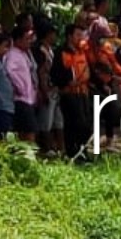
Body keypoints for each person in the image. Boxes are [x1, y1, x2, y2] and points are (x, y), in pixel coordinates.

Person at [57, 27, 94, 160]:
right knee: (74, 124)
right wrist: (67, 83)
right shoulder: (61, 52)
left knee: (86, 124)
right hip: (69, 94)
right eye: (77, 35)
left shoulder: (82, 52)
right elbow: (56, 75)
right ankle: (72, 153)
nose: (80, 38)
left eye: (81, 35)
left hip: (83, 93)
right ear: (69, 36)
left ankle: (83, 151)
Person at [32, 21, 64, 157]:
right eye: (53, 34)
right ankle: (47, 148)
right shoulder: (40, 51)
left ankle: (60, 147)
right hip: (47, 90)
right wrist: (44, 91)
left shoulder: (51, 49)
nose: (55, 37)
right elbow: (41, 72)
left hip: (54, 89)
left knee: (58, 119)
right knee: (46, 120)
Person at [6, 28, 39, 143]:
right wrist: (20, 88)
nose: (30, 41)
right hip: (21, 98)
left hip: (28, 98)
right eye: (27, 39)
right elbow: (9, 71)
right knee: (29, 130)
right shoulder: (13, 54)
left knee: (28, 129)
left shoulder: (24, 54)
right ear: (18, 40)